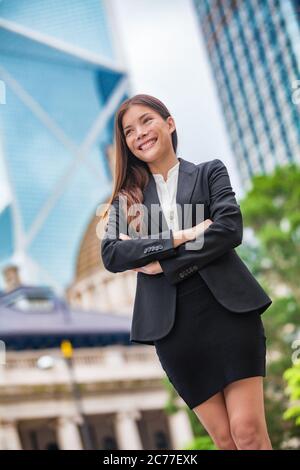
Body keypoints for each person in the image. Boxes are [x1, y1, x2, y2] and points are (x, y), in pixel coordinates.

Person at [100, 94, 273, 450]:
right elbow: (112, 254)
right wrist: (180, 236)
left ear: (169, 123)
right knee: (225, 441)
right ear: (127, 145)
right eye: (129, 131)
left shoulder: (210, 172)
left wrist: (162, 263)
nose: (140, 134)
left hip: (228, 312)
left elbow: (228, 229)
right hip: (174, 328)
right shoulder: (126, 200)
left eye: (147, 121)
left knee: (248, 433)